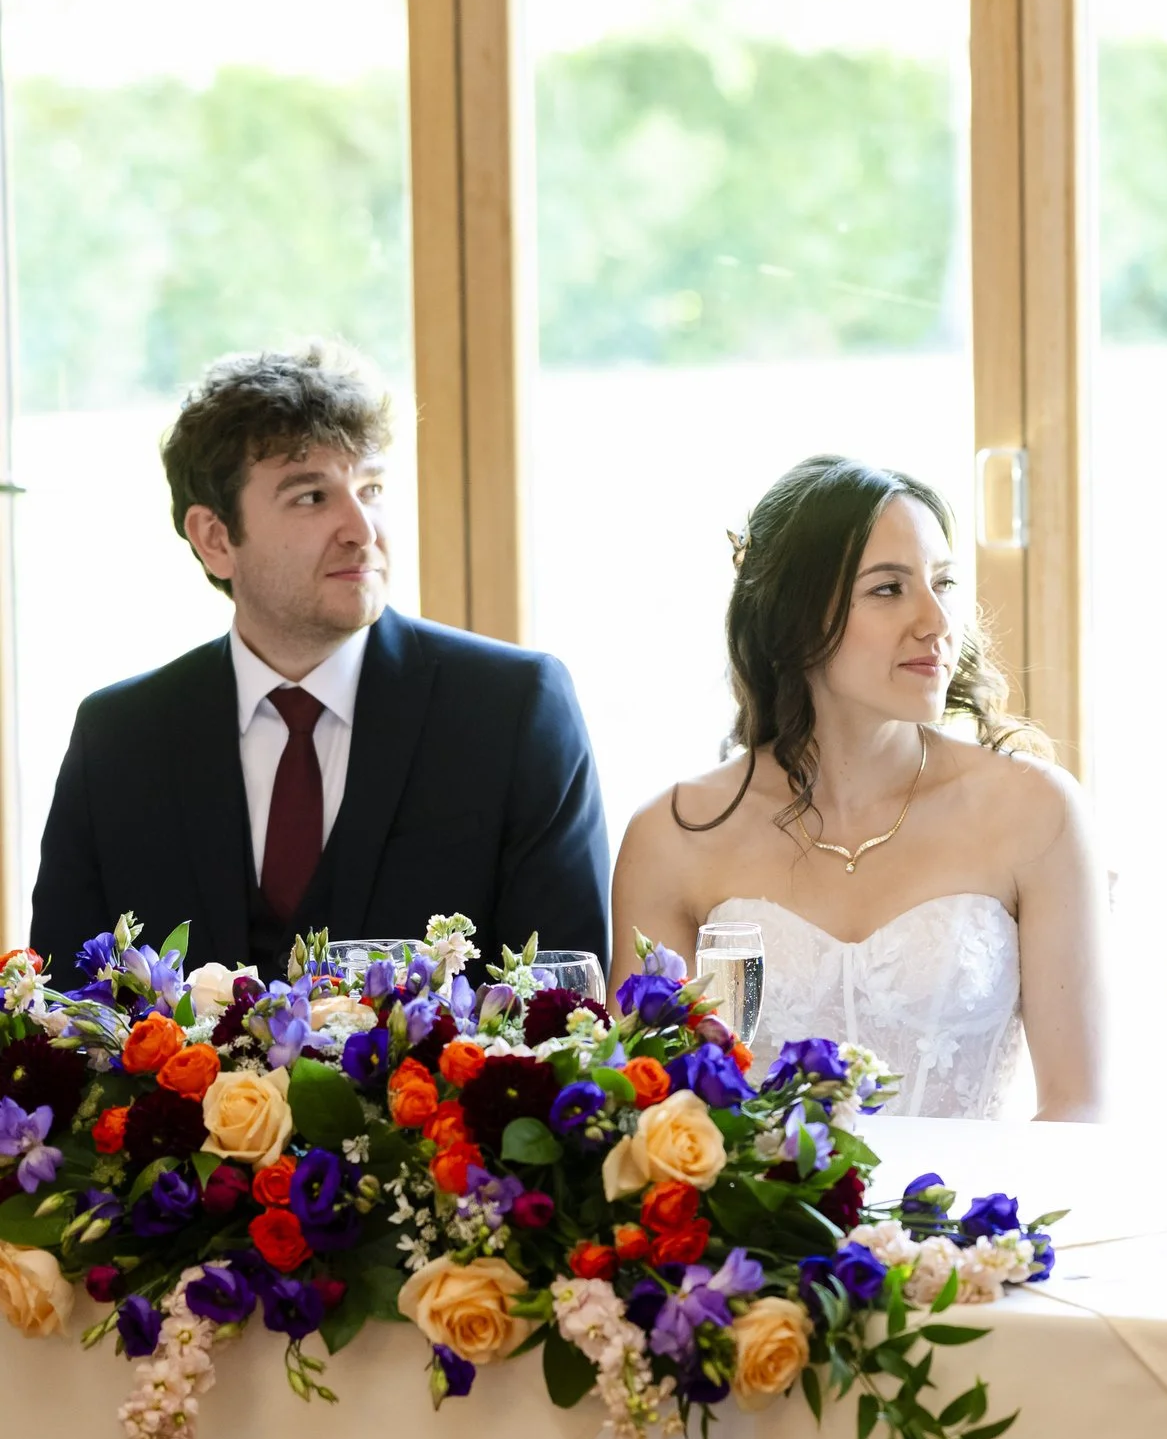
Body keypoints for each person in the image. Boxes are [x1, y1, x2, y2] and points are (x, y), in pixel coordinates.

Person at [31, 344, 609, 979]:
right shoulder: (118, 738)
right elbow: (63, 1019)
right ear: (215, 538)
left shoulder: (514, 710)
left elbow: (563, 1010)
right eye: (311, 497)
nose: (362, 528)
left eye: (372, 488)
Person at [609, 455, 1109, 1121]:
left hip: (973, 1218)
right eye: (888, 589)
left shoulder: (1036, 811)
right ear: (796, 617)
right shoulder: (672, 837)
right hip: (757, 1227)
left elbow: (1078, 1108)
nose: (936, 620)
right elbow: (646, 1114)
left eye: (944, 582)